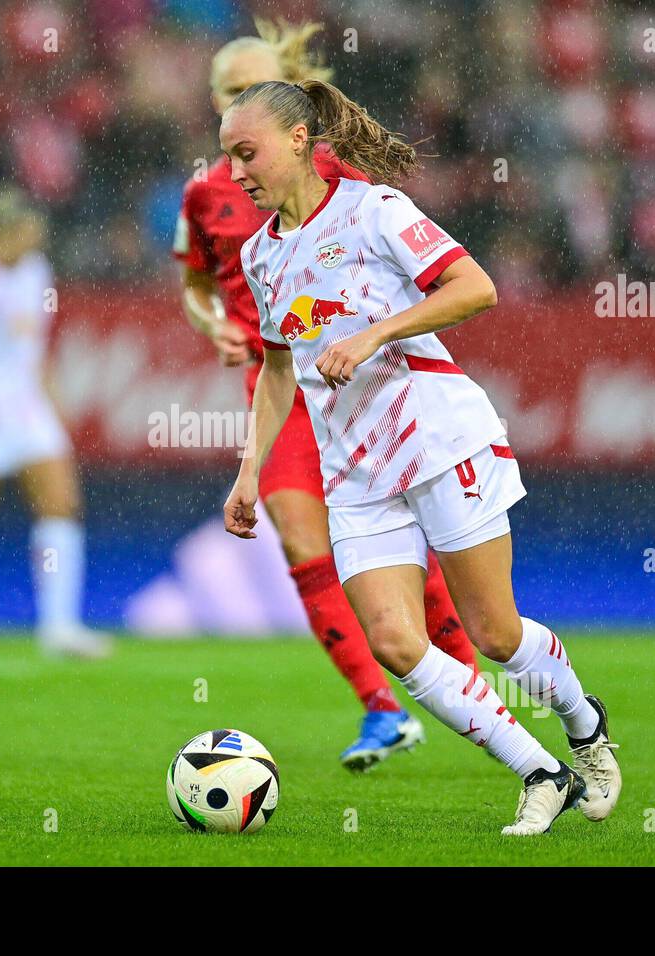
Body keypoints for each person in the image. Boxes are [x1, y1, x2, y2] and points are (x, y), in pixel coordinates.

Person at [221, 79, 622, 834]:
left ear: (300, 141)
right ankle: (542, 772)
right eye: (228, 158)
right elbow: (279, 370)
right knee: (397, 644)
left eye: (248, 153)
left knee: (495, 636)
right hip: (355, 473)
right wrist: (251, 471)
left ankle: (583, 721)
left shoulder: (374, 212)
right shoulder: (258, 257)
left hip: (439, 439)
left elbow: (476, 289)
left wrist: (375, 333)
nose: (237, 172)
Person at [175, 18, 481, 772]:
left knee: (403, 547)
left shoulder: (331, 175)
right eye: (229, 96)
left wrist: (379, 333)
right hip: (274, 385)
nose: (241, 107)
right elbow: (192, 284)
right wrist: (214, 322)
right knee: (305, 547)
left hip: (352, 381)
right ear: (216, 105)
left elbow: (390, 257)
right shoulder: (203, 196)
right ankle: (381, 710)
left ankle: (470, 679)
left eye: (255, 90)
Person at [0, 185, 110, 664]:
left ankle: (59, 627)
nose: (36, 240)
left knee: (61, 504)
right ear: (0, 232)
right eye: (28, 232)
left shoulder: (35, 272)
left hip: (26, 406)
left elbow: (35, 348)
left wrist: (54, 404)